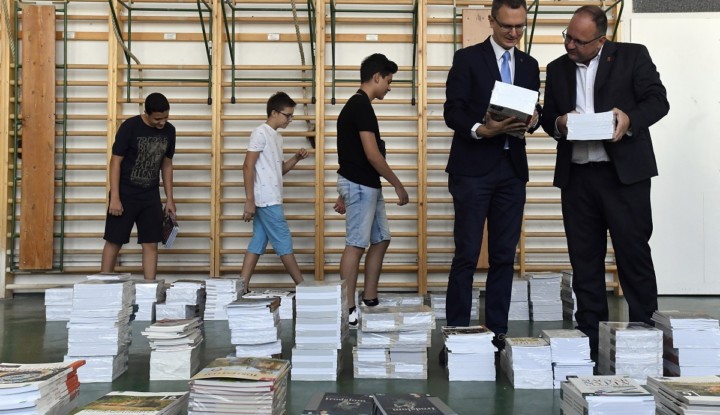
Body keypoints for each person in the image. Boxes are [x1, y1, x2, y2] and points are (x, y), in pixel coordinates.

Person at [540, 5, 669, 363]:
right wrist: (559, 123)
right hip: (578, 177)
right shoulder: (557, 68)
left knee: (633, 255)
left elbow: (658, 101)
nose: (570, 45)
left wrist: (629, 119)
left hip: (623, 177)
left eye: (579, 41)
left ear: (601, 40)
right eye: (567, 37)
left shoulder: (632, 56)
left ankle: (645, 337)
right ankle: (590, 341)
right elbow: (549, 117)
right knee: (584, 262)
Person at [443, 0, 540, 355]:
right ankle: (456, 332)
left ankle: (497, 333)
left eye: (520, 26)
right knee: (466, 255)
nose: (514, 33)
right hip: (473, 169)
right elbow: (452, 111)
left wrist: (535, 118)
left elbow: (534, 108)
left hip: (511, 171)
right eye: (507, 26)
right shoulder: (467, 59)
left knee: (503, 256)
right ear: (491, 21)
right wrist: (480, 129)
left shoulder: (529, 64)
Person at [336, 53, 409, 327]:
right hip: (360, 185)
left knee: (381, 239)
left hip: (365, 184)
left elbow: (351, 152)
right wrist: (398, 184)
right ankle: (348, 308)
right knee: (356, 244)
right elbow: (372, 154)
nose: (389, 87)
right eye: (388, 81)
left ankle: (369, 298)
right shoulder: (360, 106)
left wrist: (342, 192)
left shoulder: (360, 106)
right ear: (377, 77)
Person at [101, 92, 176, 281]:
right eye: (157, 119)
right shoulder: (130, 127)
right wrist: (115, 197)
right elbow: (116, 161)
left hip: (150, 196)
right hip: (125, 194)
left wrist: (170, 199)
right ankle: (101, 286)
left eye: (166, 117)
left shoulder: (169, 131)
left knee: (151, 243)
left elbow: (167, 165)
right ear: (146, 113)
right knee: (114, 240)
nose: (162, 122)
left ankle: (150, 288)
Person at [240, 92, 309, 290]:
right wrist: (249, 200)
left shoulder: (277, 137)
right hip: (267, 199)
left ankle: (241, 286)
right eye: (288, 115)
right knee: (284, 242)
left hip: (271, 198)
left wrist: (296, 158)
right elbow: (247, 165)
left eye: (292, 116)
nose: (290, 120)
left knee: (258, 242)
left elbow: (279, 170)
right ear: (274, 113)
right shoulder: (260, 133)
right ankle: (304, 287)